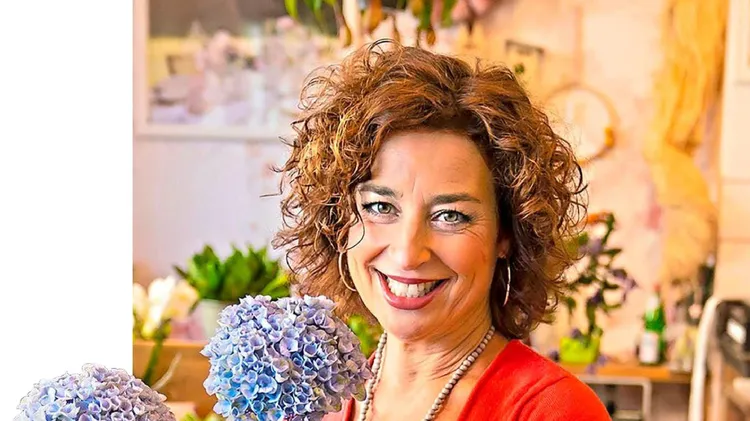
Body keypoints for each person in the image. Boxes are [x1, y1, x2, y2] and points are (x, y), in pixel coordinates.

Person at [273, 39, 610, 421]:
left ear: (506, 234)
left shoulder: (554, 411)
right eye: (380, 207)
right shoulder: (325, 406)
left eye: (450, 216)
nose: (407, 253)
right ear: (340, 221)